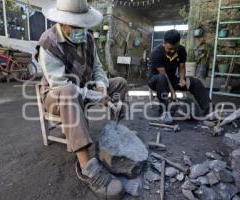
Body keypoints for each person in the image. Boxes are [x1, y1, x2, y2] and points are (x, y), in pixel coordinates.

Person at [36, 0, 127, 199]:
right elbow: (59, 84)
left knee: (119, 83)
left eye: (82, 26)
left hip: (85, 87)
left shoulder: (88, 39)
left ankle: (114, 135)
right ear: (62, 22)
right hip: (56, 95)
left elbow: (97, 68)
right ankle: (87, 168)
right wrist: (96, 95)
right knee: (69, 91)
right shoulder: (48, 42)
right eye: (74, 26)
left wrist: (102, 85)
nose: (80, 30)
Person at [148, 29, 210, 123]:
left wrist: (181, 79)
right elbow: (163, 74)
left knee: (195, 82)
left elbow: (181, 67)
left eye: (175, 48)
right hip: (155, 80)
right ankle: (164, 112)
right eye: (169, 49)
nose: (172, 51)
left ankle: (209, 111)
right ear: (163, 43)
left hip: (171, 79)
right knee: (162, 78)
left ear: (178, 43)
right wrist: (173, 92)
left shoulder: (181, 50)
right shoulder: (156, 53)